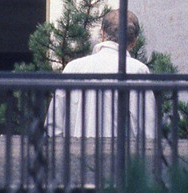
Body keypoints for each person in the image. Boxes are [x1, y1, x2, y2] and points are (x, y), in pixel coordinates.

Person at [45, 9, 158, 140]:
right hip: (121, 156)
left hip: (76, 155)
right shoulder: (138, 70)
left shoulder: (73, 68)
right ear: (134, 42)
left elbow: (54, 127)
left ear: (103, 34)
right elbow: (148, 129)